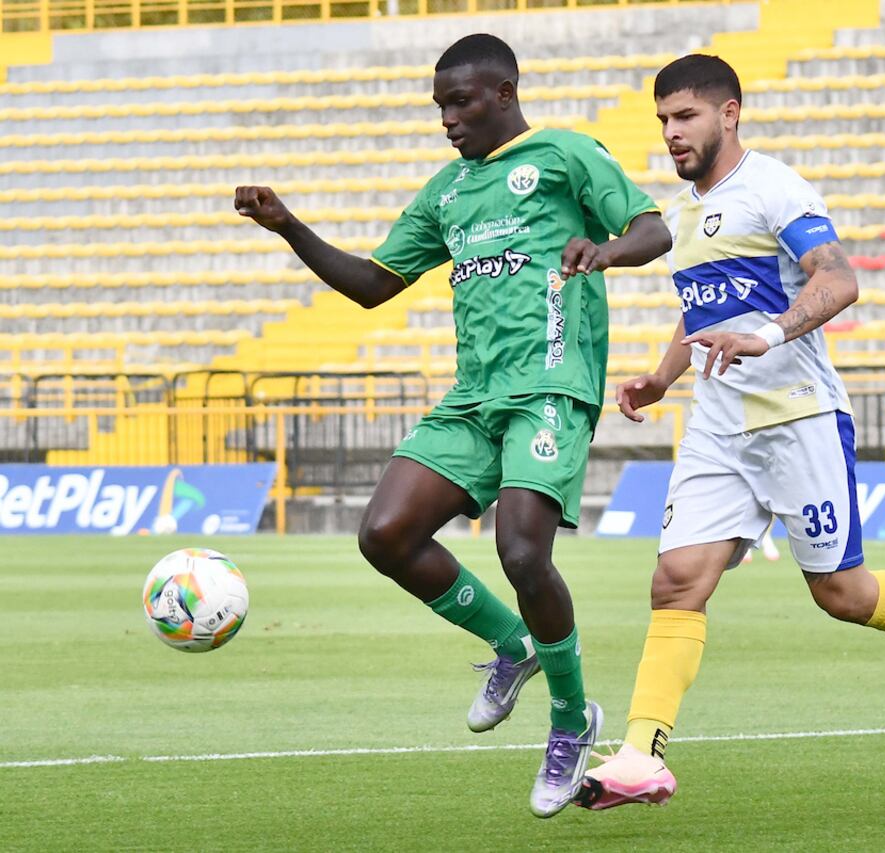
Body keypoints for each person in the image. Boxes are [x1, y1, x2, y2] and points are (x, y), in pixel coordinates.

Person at [234, 33, 671, 818]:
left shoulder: (566, 155)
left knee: (522, 550)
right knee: (385, 533)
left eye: (460, 102)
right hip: (473, 397)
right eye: (439, 106)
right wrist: (290, 226)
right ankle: (514, 644)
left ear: (504, 93)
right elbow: (372, 284)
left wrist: (604, 251)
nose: (447, 120)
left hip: (550, 385)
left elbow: (653, 228)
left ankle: (573, 720)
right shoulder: (449, 192)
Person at [574, 54, 885, 812]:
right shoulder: (682, 214)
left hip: (799, 416)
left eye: (686, 117)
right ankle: (642, 754)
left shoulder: (773, 188)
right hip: (718, 424)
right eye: (664, 121)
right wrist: (662, 374)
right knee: (674, 582)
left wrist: (770, 335)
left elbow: (838, 279)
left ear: (729, 113)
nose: (673, 133)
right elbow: (705, 309)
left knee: (842, 592)